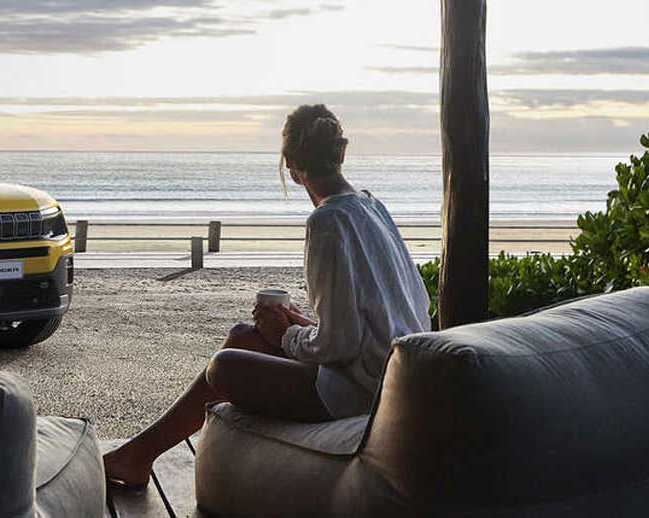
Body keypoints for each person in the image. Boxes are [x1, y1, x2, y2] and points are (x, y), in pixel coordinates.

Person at [101, 104, 432, 490]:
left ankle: (137, 457)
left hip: (359, 392)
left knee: (223, 367)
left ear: (292, 166)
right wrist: (297, 321)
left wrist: (285, 336)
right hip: (385, 373)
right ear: (341, 153)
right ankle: (139, 457)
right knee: (243, 335)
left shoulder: (327, 222)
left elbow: (341, 344)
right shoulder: (373, 207)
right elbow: (399, 311)